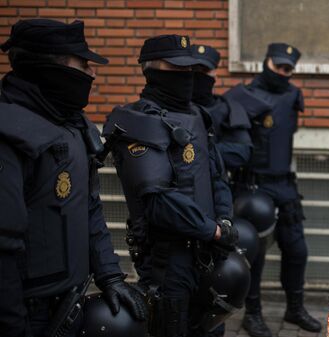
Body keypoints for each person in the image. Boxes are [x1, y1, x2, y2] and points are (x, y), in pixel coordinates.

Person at [0, 19, 146, 336]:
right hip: (28, 315)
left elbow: (89, 207)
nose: (92, 73)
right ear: (49, 67)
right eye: (83, 64)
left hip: (72, 303)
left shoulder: (73, 125)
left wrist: (109, 275)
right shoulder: (8, 134)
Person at [102, 34, 242, 337]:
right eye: (176, 69)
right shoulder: (138, 120)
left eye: (189, 68)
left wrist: (225, 219)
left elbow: (216, 176)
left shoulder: (196, 115)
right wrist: (215, 231)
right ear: (150, 70)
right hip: (168, 261)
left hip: (207, 254)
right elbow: (158, 202)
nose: (186, 76)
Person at [225, 43, 322, 337]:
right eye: (278, 66)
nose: (283, 72)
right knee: (255, 254)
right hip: (252, 184)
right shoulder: (242, 96)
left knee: (297, 250)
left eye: (288, 69)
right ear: (265, 61)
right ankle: (252, 314)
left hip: (284, 183)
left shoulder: (293, 95)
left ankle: (295, 308)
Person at [190, 44, 253, 172]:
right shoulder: (172, 107)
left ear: (215, 76)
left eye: (205, 71)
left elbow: (241, 153)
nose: (199, 75)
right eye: (195, 69)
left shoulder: (227, 109)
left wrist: (197, 150)